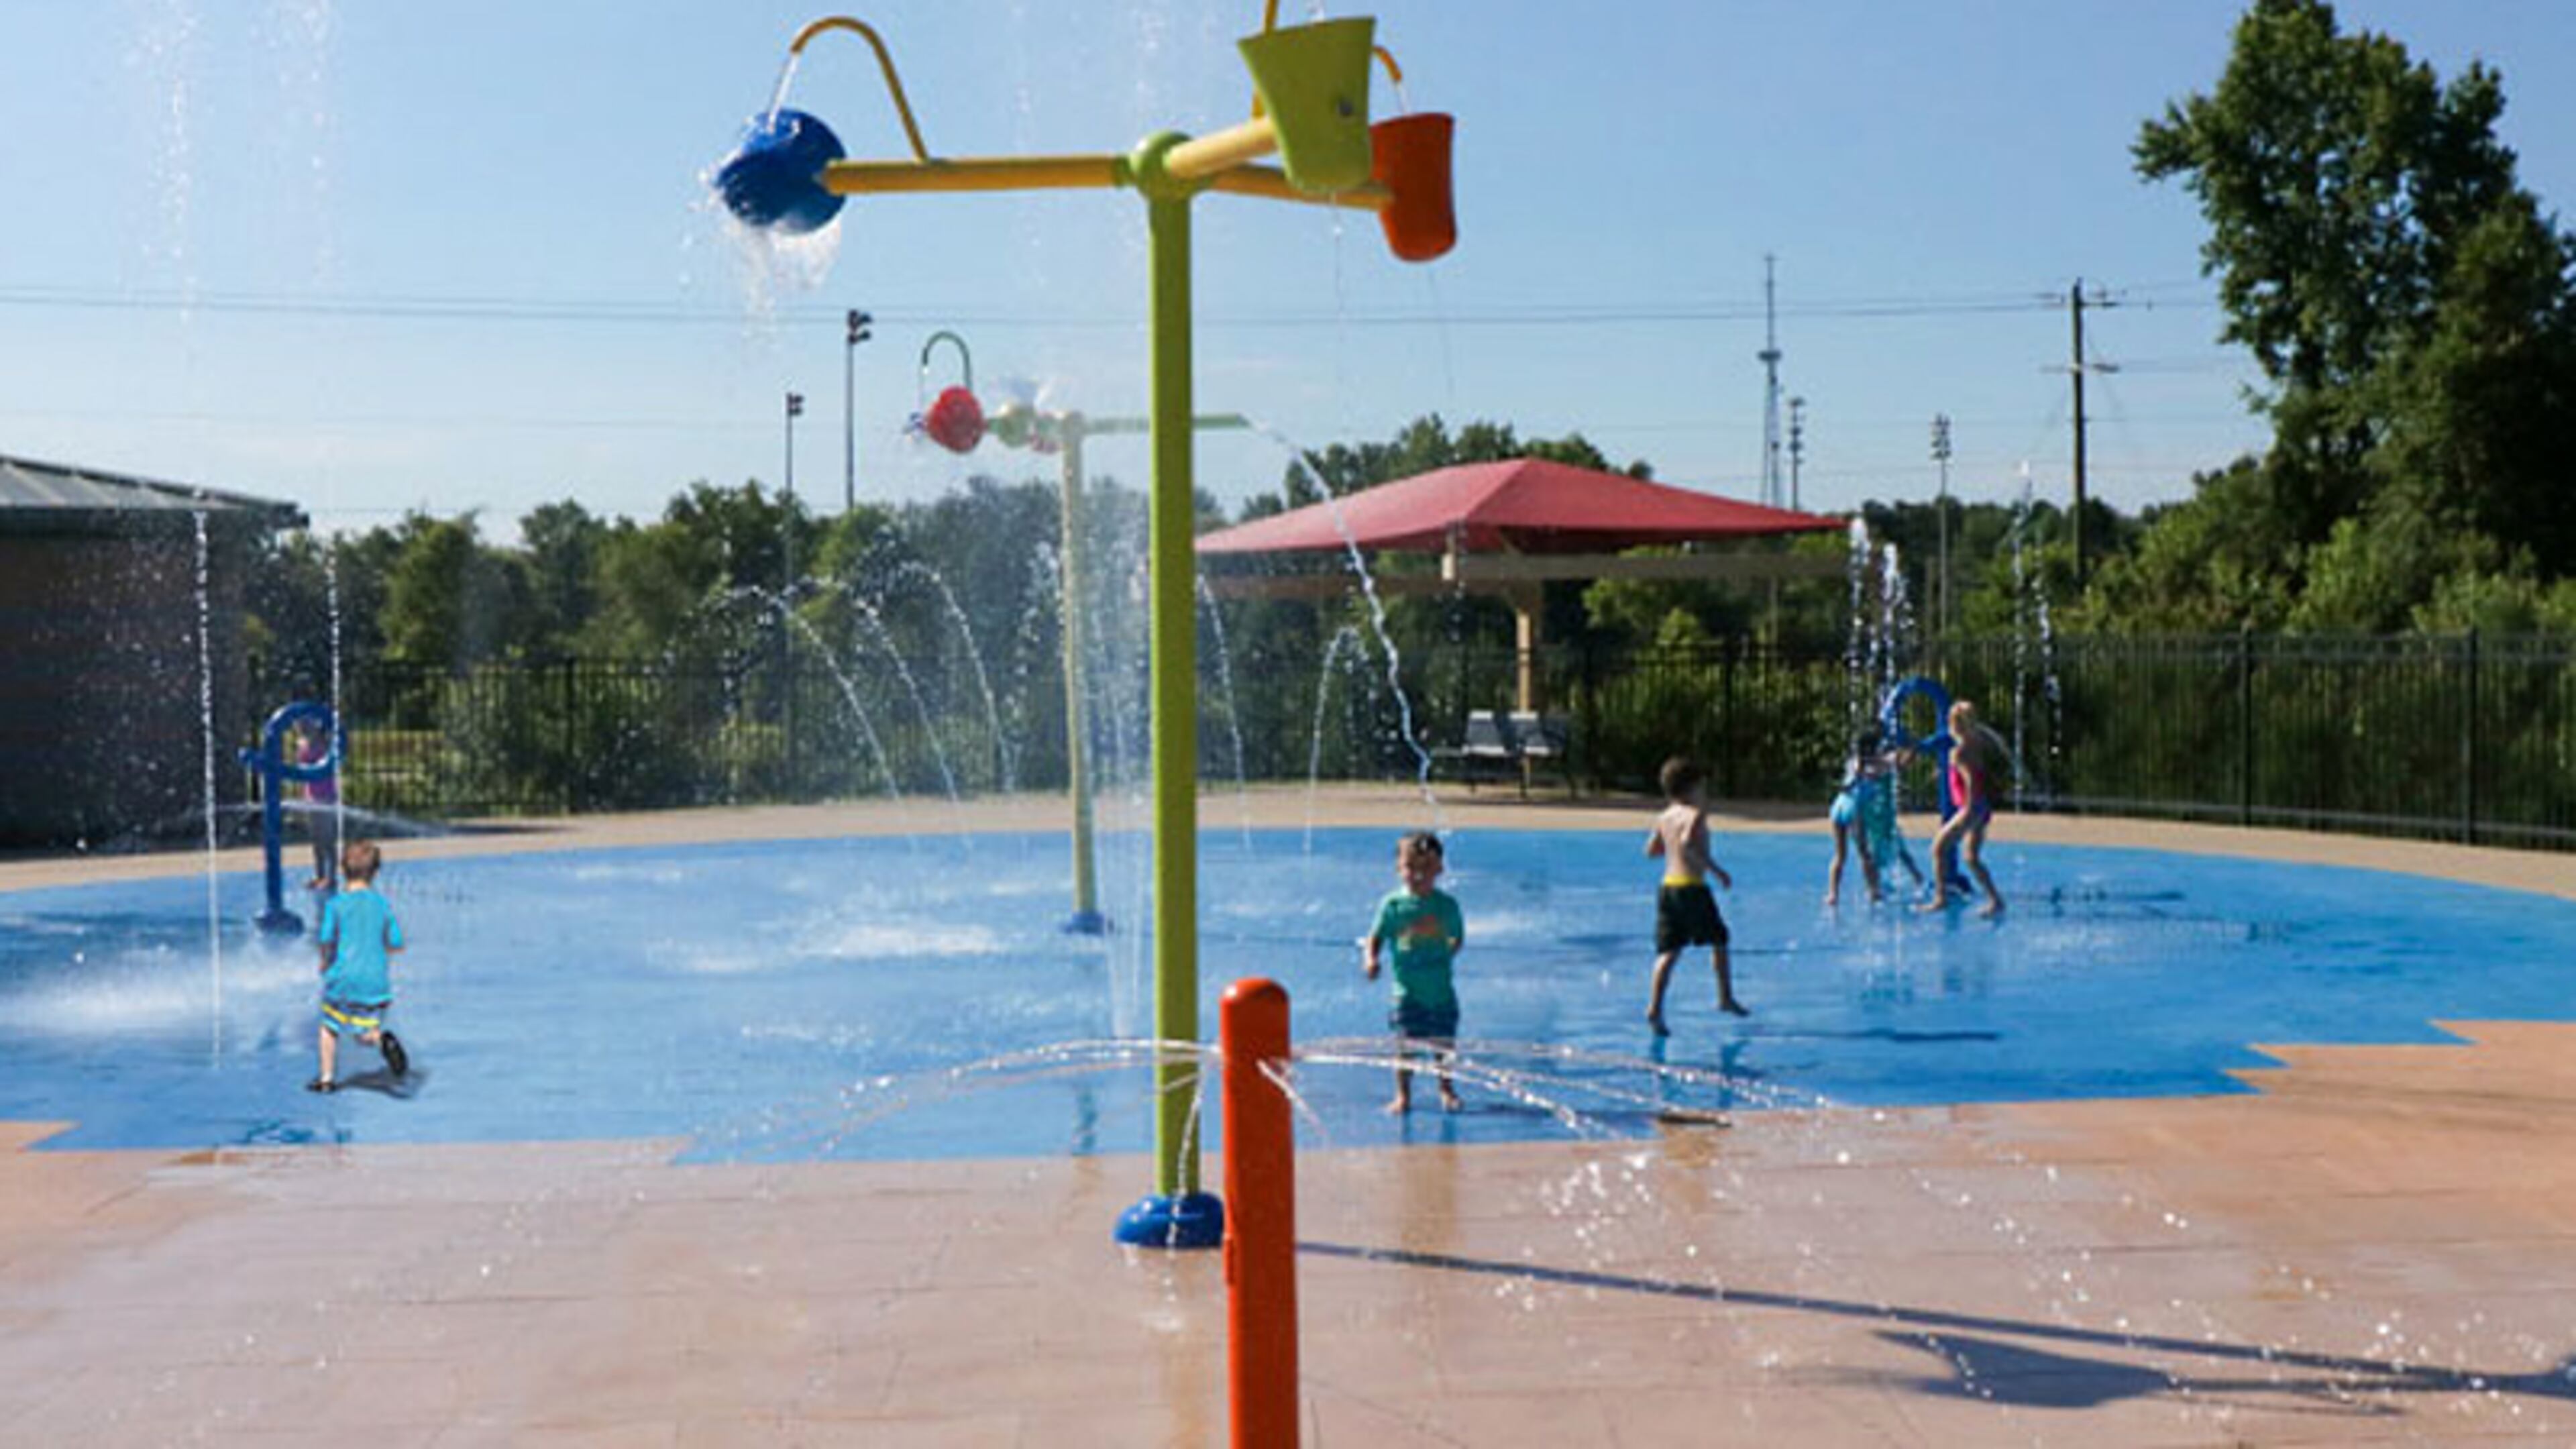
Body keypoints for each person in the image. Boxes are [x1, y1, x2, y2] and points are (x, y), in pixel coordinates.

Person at [1360, 830, 1465, 1114]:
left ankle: (1447, 1089)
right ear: (1398, 869)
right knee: (1405, 1048)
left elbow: (1457, 938)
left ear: (1440, 869)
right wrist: (1371, 959)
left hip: (1442, 992)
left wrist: (1444, 957)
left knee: (1444, 1047)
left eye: (1427, 868)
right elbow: (1376, 936)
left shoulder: (1447, 906)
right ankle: (1403, 1095)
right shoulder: (1393, 906)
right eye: (1411, 868)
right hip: (1406, 993)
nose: (1418, 875)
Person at [1646, 757, 1746, 1032]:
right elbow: (1689, 842)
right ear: (1692, 788)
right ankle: (1725, 997)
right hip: (1692, 886)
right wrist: (1717, 871)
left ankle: (1655, 1008)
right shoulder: (1695, 815)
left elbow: (1652, 850)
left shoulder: (1664, 816)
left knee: (1669, 951)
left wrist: (1671, 849)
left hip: (1667, 887)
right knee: (1720, 938)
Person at [311, 839, 408, 1092]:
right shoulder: (382, 905)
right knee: (365, 1032)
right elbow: (397, 943)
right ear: (375, 872)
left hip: (343, 979)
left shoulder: (336, 905)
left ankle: (326, 1079)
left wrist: (324, 962)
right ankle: (381, 1039)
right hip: (376, 982)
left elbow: (325, 939)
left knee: (329, 1026)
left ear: (342, 870)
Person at [1920, 700, 2006, 918]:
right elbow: (1975, 772)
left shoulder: (1959, 752)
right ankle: (1996, 900)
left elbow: (1969, 780)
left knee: (1939, 848)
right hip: (1983, 807)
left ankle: (1941, 899)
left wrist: (1968, 808)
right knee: (1971, 858)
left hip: (1971, 807)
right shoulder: (1978, 744)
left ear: (1954, 725)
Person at [1825, 730, 1910, 906]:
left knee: (1840, 855)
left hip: (1838, 807)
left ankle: (1833, 894)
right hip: (1854, 810)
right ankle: (1874, 892)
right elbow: (1900, 762)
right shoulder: (1877, 766)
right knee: (1866, 855)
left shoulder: (1854, 763)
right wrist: (1911, 745)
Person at [296, 720, 340, 892]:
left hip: (327, 796)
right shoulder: (303, 746)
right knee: (316, 840)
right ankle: (320, 875)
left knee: (328, 839)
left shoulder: (326, 746)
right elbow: (302, 774)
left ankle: (332, 877)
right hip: (312, 797)